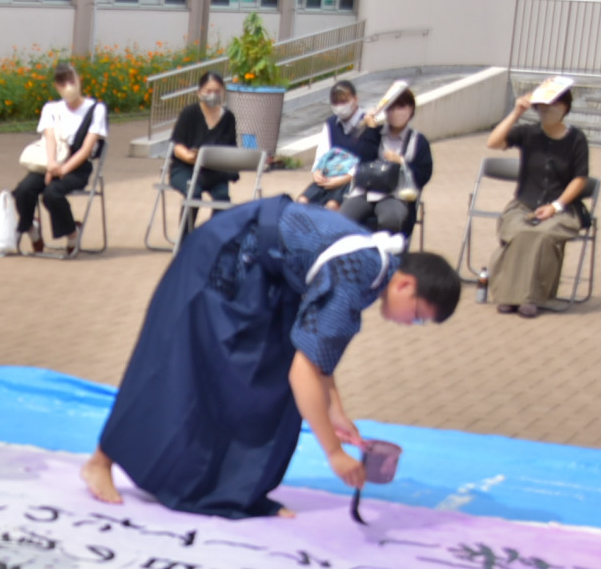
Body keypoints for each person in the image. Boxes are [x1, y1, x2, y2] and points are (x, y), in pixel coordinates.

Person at [81, 197, 461, 519]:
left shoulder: (373, 270)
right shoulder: (356, 278)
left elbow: (319, 352)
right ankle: (101, 459)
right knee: (179, 366)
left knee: (266, 379)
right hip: (224, 258)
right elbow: (305, 372)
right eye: (418, 315)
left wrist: (335, 410)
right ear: (406, 284)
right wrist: (334, 453)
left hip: (265, 277)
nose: (411, 325)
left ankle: (234, 490)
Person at [482, 88, 591, 318]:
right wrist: (516, 113)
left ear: (564, 108)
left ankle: (531, 298)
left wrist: (556, 206)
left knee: (542, 234)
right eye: (541, 106)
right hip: (524, 204)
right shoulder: (528, 133)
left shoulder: (576, 139)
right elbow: (493, 142)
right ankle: (508, 295)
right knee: (519, 230)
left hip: (562, 208)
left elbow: (580, 179)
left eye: (552, 106)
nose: (546, 111)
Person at [10, 62, 107, 256]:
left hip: (77, 167)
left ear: (79, 80)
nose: (68, 86)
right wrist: (52, 165)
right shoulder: (51, 108)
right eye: (62, 83)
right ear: (56, 87)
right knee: (22, 191)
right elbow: (50, 138)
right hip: (50, 162)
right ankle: (32, 231)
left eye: (71, 80)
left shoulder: (96, 109)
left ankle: (72, 233)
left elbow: (86, 149)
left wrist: (61, 171)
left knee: (52, 193)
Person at [338, 88, 433, 240]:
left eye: (401, 107)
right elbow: (361, 158)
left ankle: (386, 258)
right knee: (342, 218)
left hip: (396, 195)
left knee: (390, 219)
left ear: (411, 109)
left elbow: (423, 175)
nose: (395, 112)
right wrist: (369, 128)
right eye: (391, 108)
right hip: (365, 191)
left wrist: (401, 162)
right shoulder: (376, 132)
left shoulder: (418, 141)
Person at [166, 70, 238, 228]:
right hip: (185, 168)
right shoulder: (189, 113)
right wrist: (189, 156)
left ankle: (211, 238)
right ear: (199, 93)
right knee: (194, 194)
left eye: (217, 91)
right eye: (208, 91)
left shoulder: (228, 118)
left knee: (223, 198)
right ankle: (185, 241)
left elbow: (231, 148)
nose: (213, 95)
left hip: (214, 171)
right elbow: (177, 146)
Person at [298, 80, 365, 208]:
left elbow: (368, 158)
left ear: (355, 99)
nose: (340, 106)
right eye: (336, 102)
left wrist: (345, 178)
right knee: (302, 201)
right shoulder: (331, 123)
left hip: (351, 180)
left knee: (332, 205)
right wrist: (316, 171)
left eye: (344, 101)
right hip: (328, 175)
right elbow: (322, 153)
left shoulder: (366, 124)